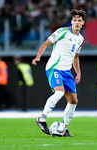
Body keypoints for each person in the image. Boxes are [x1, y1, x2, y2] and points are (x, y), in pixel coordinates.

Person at [32, 8, 86, 137]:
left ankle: (64, 128)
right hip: (54, 67)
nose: (77, 22)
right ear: (71, 22)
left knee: (73, 100)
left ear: (83, 23)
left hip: (67, 71)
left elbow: (76, 57)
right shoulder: (62, 31)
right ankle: (41, 119)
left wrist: (78, 73)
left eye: (79, 20)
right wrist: (38, 56)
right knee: (59, 92)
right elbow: (46, 43)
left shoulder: (81, 40)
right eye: (75, 20)